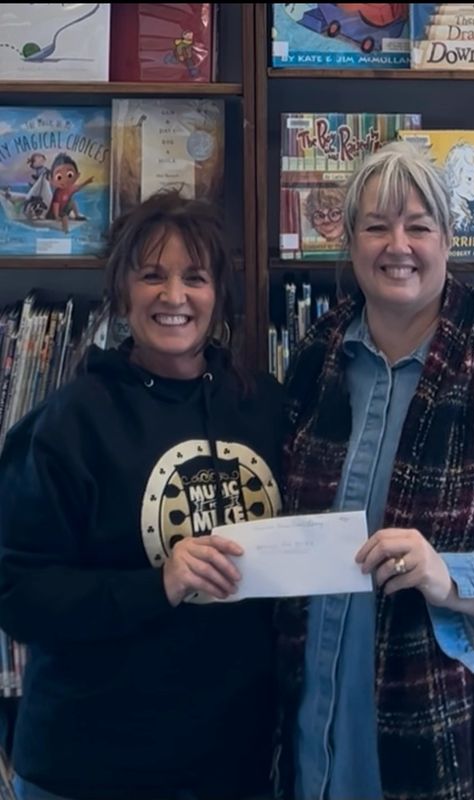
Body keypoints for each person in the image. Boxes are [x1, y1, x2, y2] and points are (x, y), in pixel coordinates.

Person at [274, 140, 474, 800]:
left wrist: (452, 577)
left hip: (450, 739)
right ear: (350, 241)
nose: (398, 245)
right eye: (376, 226)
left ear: (448, 240)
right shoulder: (318, 355)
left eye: (418, 226)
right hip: (316, 727)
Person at [0, 191, 285, 800]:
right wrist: (159, 584)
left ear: (219, 294)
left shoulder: (265, 406)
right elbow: (17, 594)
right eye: (152, 275)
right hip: (90, 768)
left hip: (232, 764)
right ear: (121, 291)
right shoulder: (67, 424)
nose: (174, 297)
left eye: (195, 278)